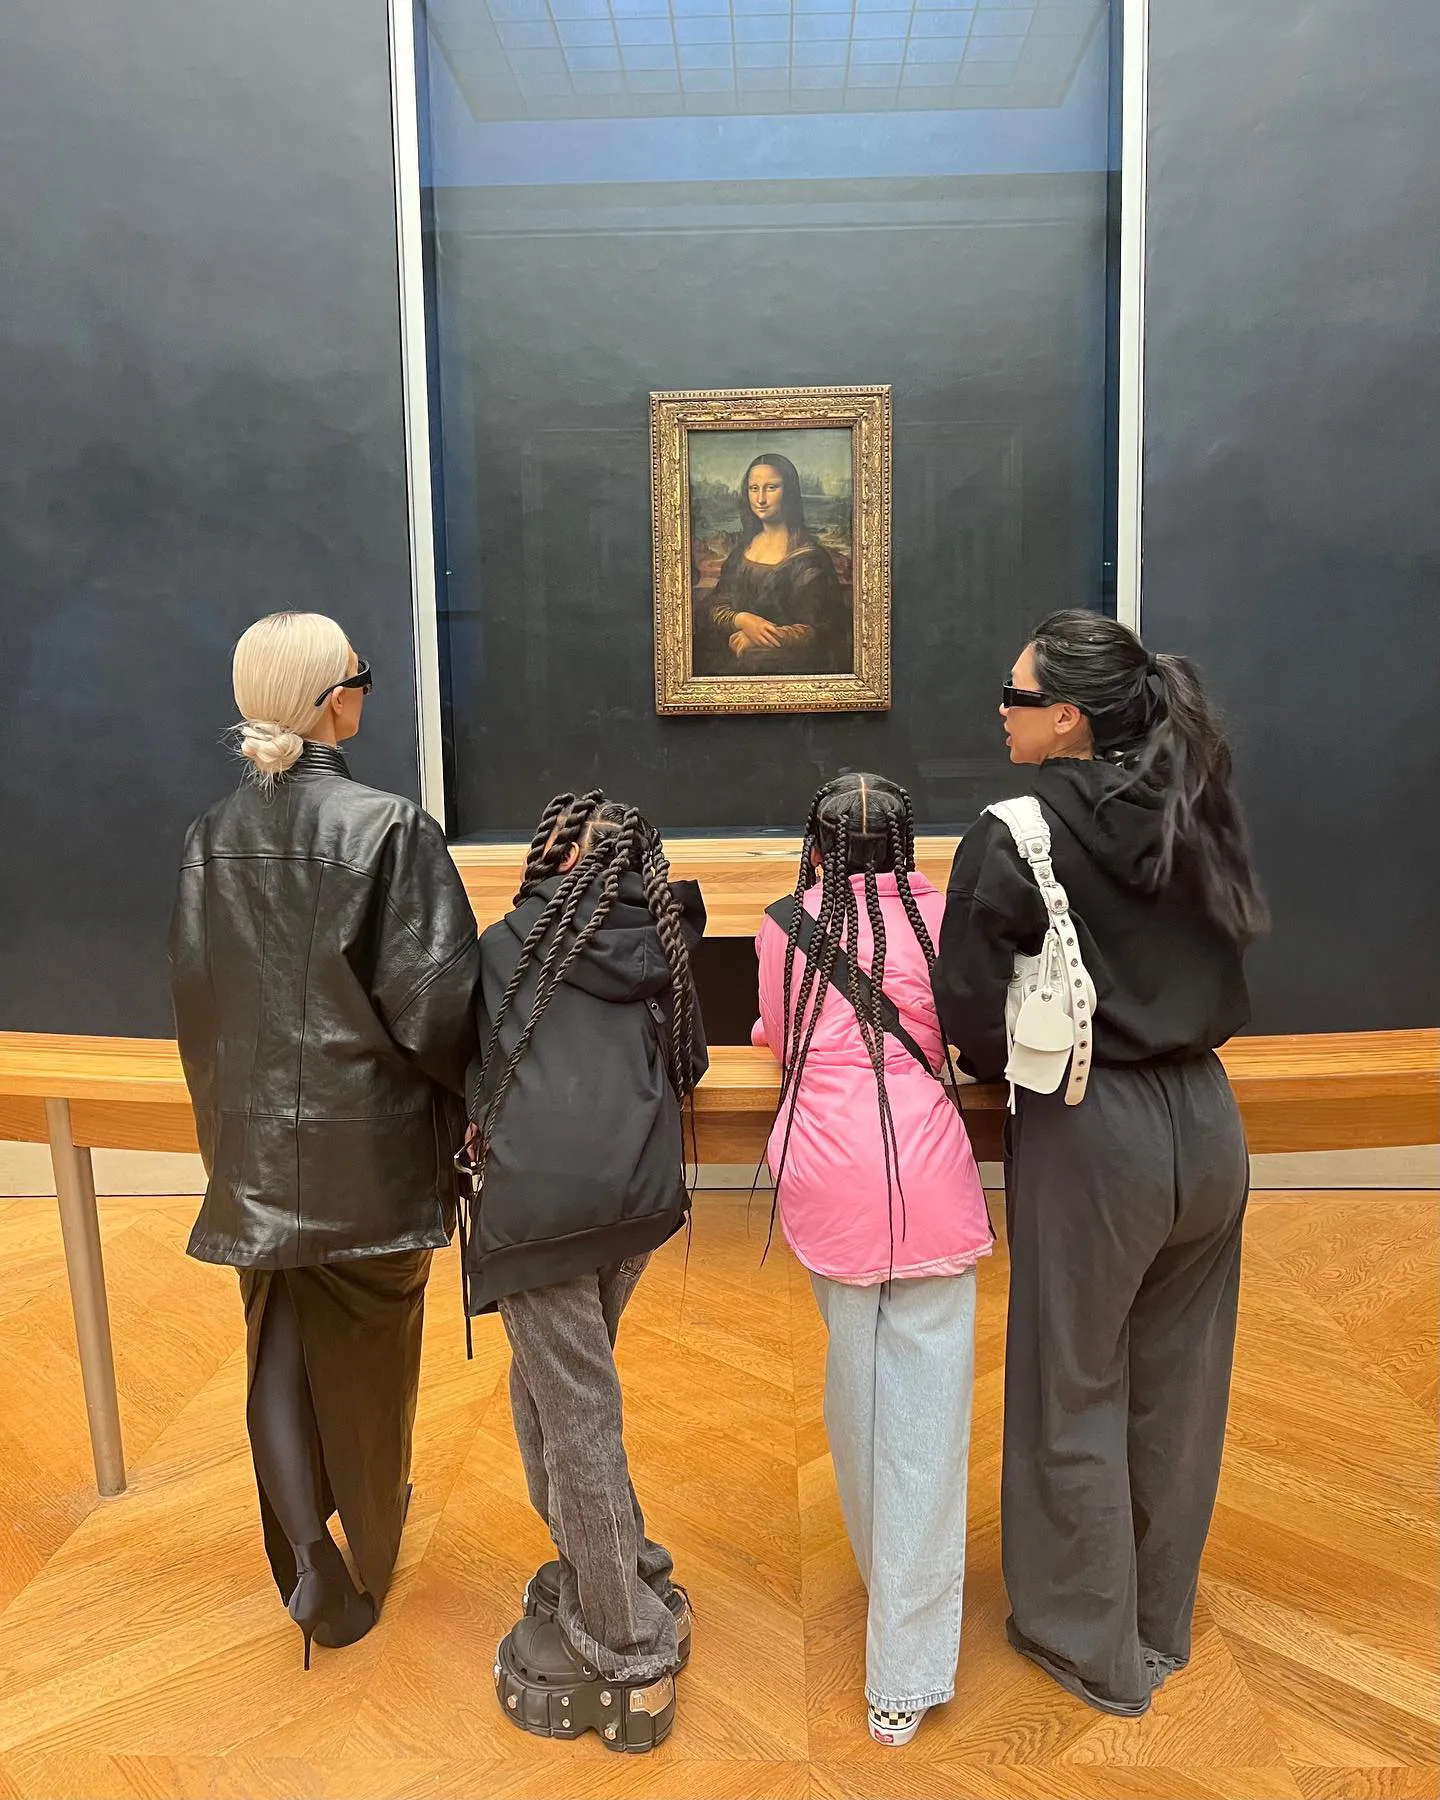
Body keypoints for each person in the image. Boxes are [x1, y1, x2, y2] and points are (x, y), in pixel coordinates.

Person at [932, 609, 1266, 1718]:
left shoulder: (1014, 831)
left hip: (1091, 1121)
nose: (1002, 711)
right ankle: (1157, 1621)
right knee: (1181, 1386)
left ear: (1067, 717)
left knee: (1071, 1379)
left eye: (1017, 696)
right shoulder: (1196, 804)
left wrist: (1004, 1065)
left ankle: (1086, 1642)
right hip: (1208, 1120)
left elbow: (967, 1006)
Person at [169, 611, 479, 1668]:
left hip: (252, 1154)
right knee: (372, 1361)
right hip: (370, 1159)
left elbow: (198, 1000)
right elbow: (439, 1010)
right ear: (336, 700)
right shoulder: (390, 829)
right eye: (363, 676)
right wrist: (474, 1104)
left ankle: (308, 1553)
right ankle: (362, 1560)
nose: (366, 691)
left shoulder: (209, 837)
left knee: (278, 1340)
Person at [461, 791, 707, 1755]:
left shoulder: (502, 947)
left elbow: (467, 1065)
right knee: (558, 1384)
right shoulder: (666, 940)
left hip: (537, 1211)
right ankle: (623, 1563)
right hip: (636, 1202)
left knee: (573, 1404)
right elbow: (687, 1064)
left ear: (554, 856)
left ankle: (626, 1639)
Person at [753, 773, 993, 1747]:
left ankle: (882, 1577)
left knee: (855, 1405)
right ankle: (904, 1671)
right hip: (932, 1184)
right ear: (906, 844)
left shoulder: (785, 924)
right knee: (929, 1432)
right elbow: (964, 1035)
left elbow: (780, 1042)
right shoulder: (941, 918)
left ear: (816, 847)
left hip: (829, 1188)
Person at [695, 452, 849, 676]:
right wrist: (742, 620)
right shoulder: (741, 551)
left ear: (789, 492)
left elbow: (822, 631)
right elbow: (715, 606)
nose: (760, 499)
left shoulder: (810, 558)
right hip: (733, 656)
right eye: (753, 488)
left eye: (771, 488)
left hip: (793, 668)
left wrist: (760, 637)